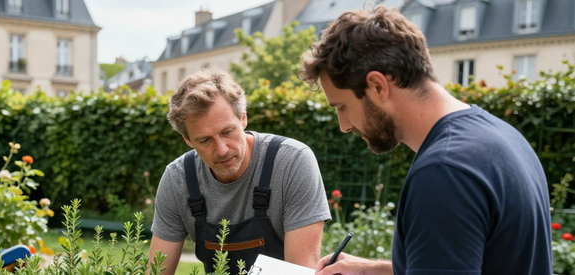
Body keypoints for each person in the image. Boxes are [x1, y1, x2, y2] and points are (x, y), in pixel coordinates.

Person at [298, 5, 552, 275]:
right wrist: (370, 270)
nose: (344, 125)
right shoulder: (502, 136)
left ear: (377, 86)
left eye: (342, 107)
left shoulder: (444, 172)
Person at [147, 68, 331, 274]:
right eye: (205, 140)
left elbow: (300, 269)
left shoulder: (292, 162)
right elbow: (158, 271)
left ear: (243, 118)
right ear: (188, 140)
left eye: (227, 132)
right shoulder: (177, 179)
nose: (222, 150)